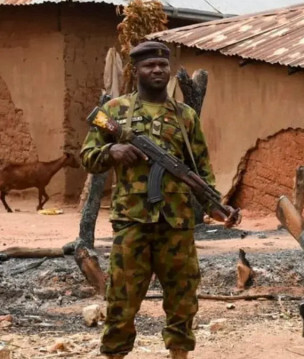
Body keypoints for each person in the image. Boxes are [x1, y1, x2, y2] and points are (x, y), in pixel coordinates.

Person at [81, 41, 232, 359]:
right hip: (131, 222)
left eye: (163, 65)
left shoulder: (185, 115)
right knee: (122, 298)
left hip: (176, 224)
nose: (158, 70)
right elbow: (88, 156)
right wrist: (112, 150)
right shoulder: (115, 111)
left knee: (183, 298)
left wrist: (215, 206)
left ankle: (179, 354)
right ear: (136, 70)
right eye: (150, 65)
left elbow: (200, 169)